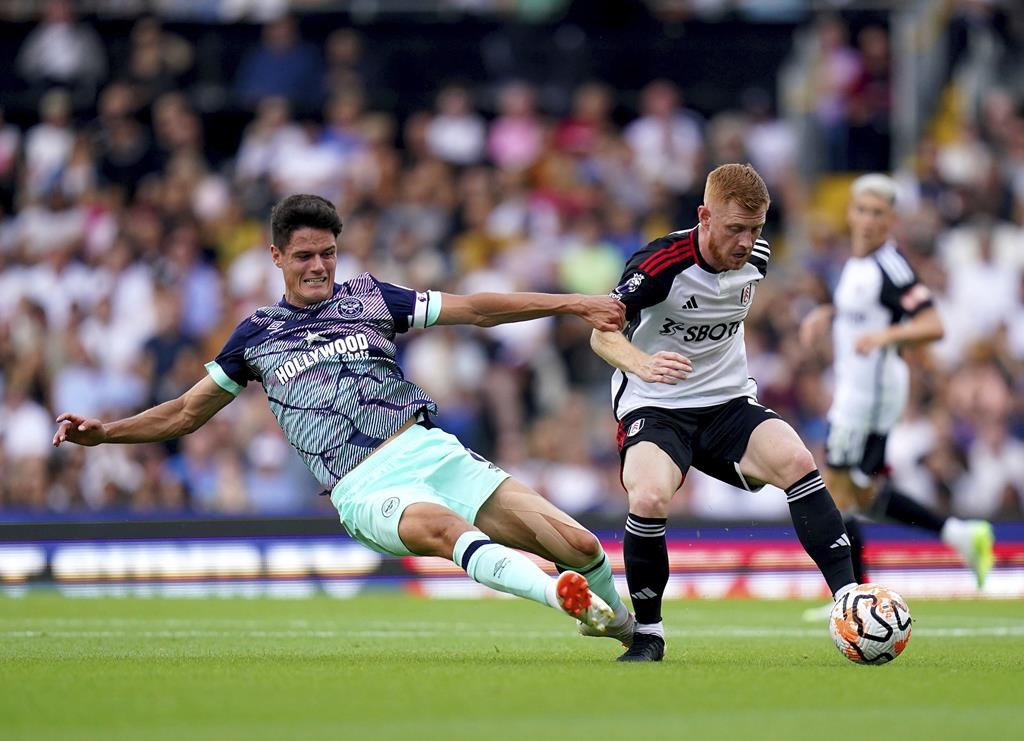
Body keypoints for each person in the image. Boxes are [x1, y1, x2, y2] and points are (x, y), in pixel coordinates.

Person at [53, 193, 635, 641]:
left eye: (328, 253)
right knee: (445, 530)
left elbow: (477, 309)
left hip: (431, 449)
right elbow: (184, 412)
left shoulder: (369, 297)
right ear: (277, 256)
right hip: (363, 484)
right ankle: (557, 596)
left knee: (580, 543)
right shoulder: (255, 336)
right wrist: (106, 433)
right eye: (304, 255)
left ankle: (616, 624)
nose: (318, 266)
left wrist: (573, 302)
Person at [590, 163, 858, 662]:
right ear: (704, 216)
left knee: (799, 462)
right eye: (735, 228)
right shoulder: (658, 264)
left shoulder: (758, 253)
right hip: (657, 405)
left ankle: (851, 601)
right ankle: (649, 633)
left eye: (756, 228)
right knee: (648, 498)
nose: (745, 241)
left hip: (727, 403)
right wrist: (642, 363)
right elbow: (601, 333)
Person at [799, 174, 994, 620]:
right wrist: (827, 314)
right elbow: (861, 310)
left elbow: (933, 325)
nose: (867, 220)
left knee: (835, 489)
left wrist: (884, 335)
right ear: (850, 213)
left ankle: (851, 596)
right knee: (862, 494)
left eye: (878, 213)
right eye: (862, 210)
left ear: (892, 220)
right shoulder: (858, 264)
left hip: (868, 393)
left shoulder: (892, 266)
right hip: (858, 388)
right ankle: (960, 534)